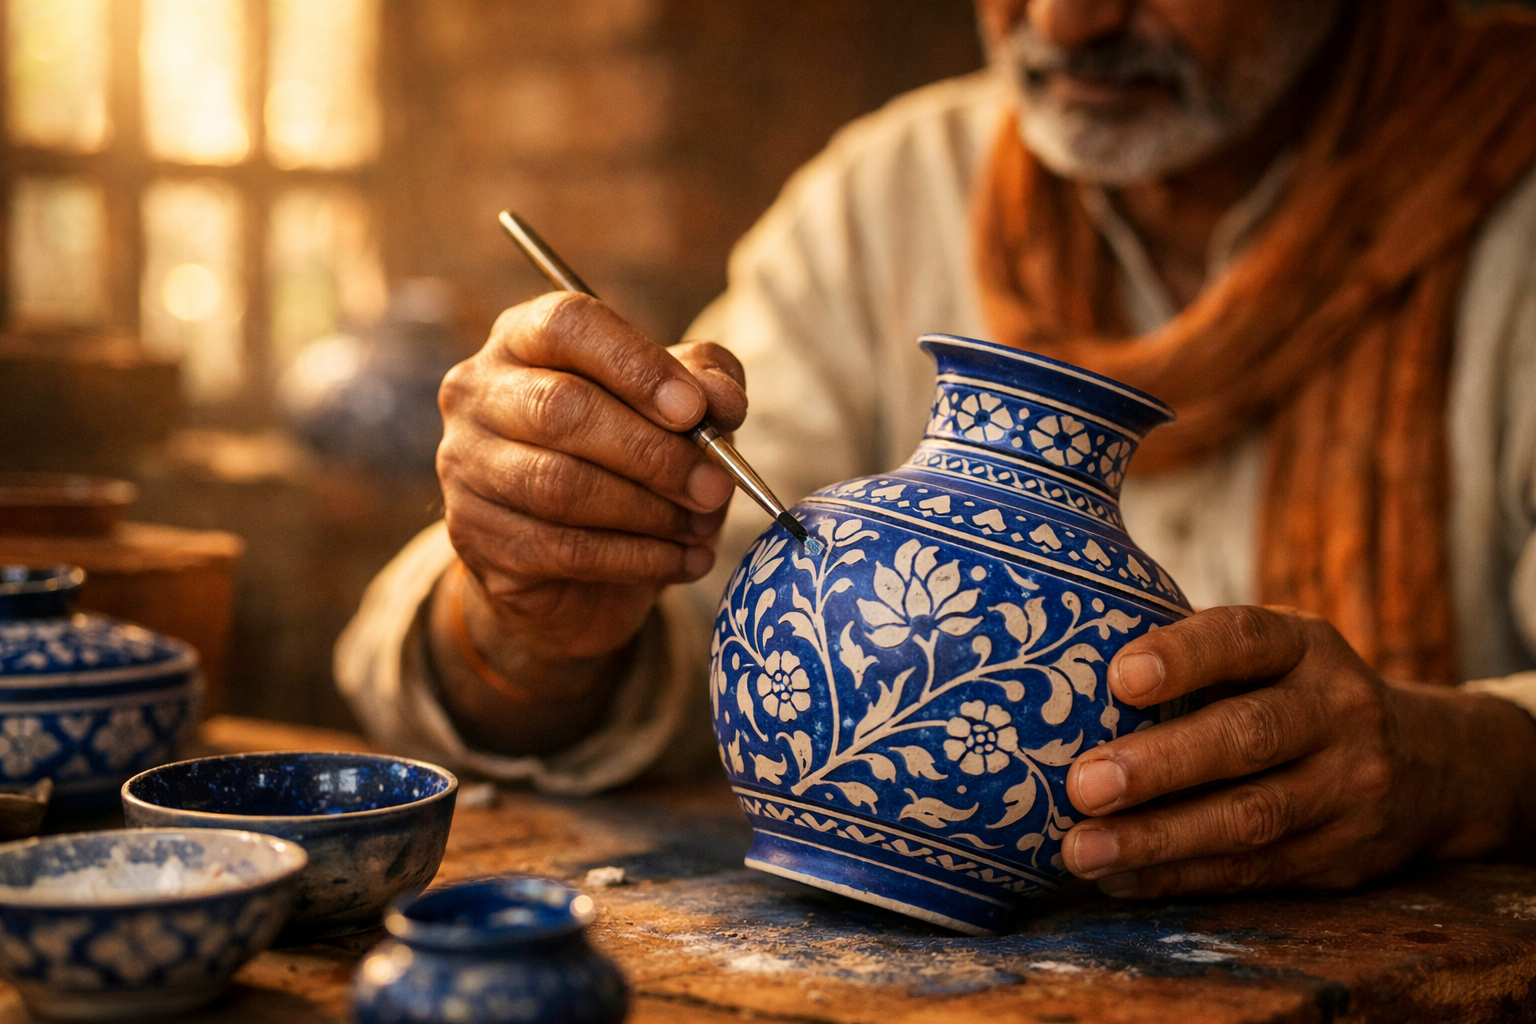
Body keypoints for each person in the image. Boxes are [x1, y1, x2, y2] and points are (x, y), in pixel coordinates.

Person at [337, 0, 1536, 897]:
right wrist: (535, 618)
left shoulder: (1510, 192)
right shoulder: (889, 192)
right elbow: (681, 601)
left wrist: (1469, 762)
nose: (1067, 20)